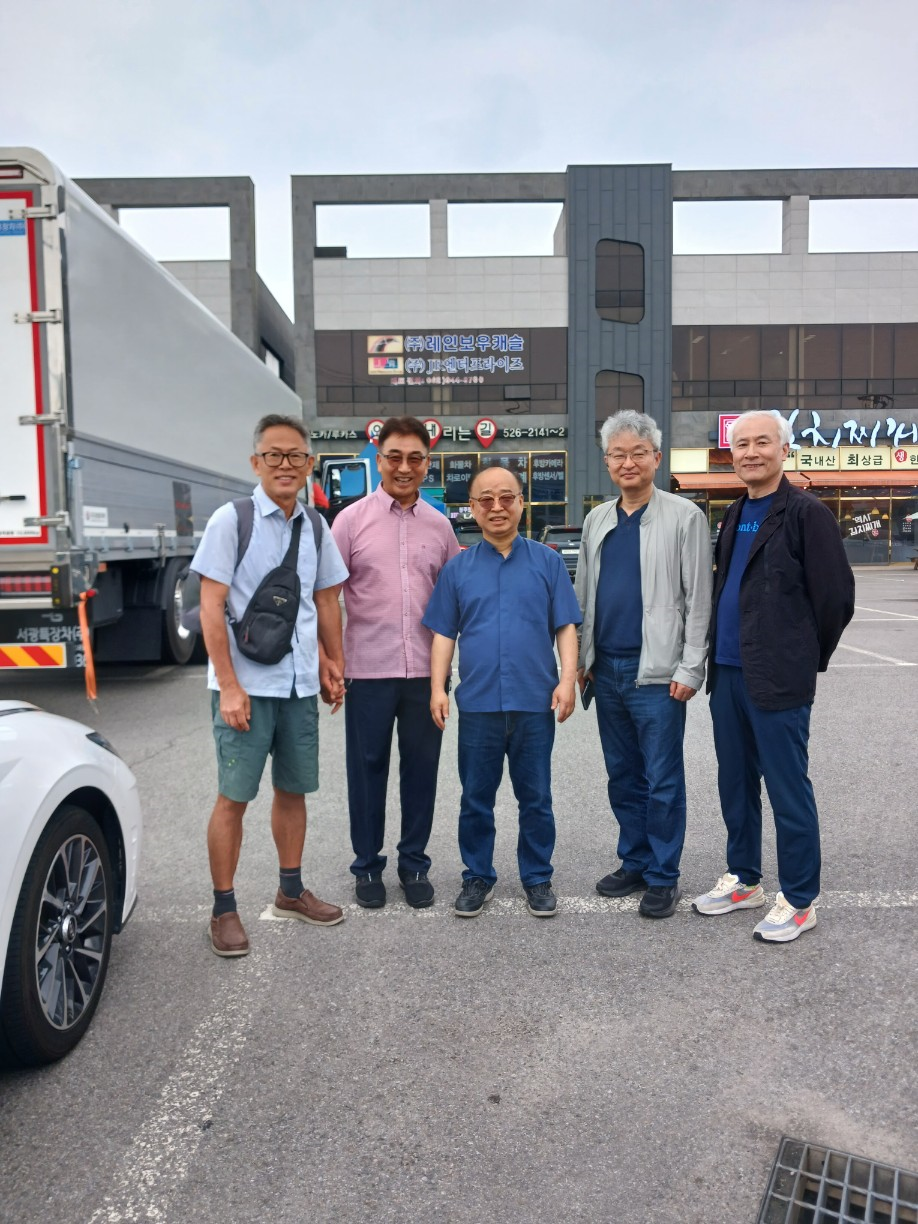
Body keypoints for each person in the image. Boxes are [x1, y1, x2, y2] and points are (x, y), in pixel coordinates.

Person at [692, 409, 854, 943]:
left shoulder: (808, 514)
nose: (751, 452)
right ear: (731, 455)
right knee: (735, 784)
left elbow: (836, 599)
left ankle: (801, 899)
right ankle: (744, 879)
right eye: (741, 444)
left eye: (762, 442)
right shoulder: (734, 512)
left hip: (778, 677)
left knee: (787, 789)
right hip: (727, 674)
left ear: (784, 450)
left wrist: (802, 656)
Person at [192, 414, 349, 957]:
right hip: (247, 687)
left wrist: (333, 663)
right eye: (274, 455)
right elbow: (210, 606)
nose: (285, 465)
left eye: (295, 456)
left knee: (293, 790)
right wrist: (229, 686)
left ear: (309, 464)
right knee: (234, 797)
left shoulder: (316, 526)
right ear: (255, 462)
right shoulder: (231, 521)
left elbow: (324, 601)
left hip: (299, 685)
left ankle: (290, 890)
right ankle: (224, 908)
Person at [423, 464, 582, 918]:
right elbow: (443, 634)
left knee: (536, 798)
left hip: (534, 702)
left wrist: (567, 680)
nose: (497, 507)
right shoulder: (457, 569)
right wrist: (438, 688)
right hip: (478, 706)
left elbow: (565, 626)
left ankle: (537, 877)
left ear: (521, 503)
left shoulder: (548, 562)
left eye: (507, 497)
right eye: (486, 499)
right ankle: (477, 876)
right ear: (472, 508)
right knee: (476, 799)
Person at [575, 410, 712, 919]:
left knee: (662, 779)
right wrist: (583, 658)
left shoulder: (684, 516)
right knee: (622, 775)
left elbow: (699, 600)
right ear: (607, 461)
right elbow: (583, 594)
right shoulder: (597, 520)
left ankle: (663, 874)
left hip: (657, 674)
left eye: (638, 453)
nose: (627, 462)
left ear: (656, 457)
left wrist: (690, 668)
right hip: (606, 669)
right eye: (618, 454)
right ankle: (634, 860)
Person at [331, 416, 460, 909]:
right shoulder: (350, 521)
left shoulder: (440, 526)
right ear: (379, 459)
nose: (404, 467)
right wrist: (331, 662)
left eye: (415, 458)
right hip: (367, 671)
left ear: (427, 463)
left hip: (426, 674)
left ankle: (413, 864)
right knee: (367, 770)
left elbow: (453, 600)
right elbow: (327, 597)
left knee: (422, 770)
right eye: (394, 457)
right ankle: (367, 866)